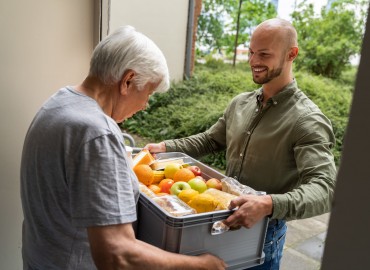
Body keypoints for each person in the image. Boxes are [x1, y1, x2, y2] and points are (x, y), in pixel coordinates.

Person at [20, 25, 226, 270]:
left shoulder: (57, 103)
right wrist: (200, 265)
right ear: (127, 81)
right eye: (148, 92)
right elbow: (116, 255)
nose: (145, 105)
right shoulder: (98, 132)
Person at [145, 18, 337, 270]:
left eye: (264, 54)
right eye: (251, 52)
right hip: (219, 218)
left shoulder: (307, 120)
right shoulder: (240, 103)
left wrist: (269, 204)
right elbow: (210, 139)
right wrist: (165, 147)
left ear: (292, 54)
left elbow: (326, 189)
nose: (254, 61)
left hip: (263, 236)